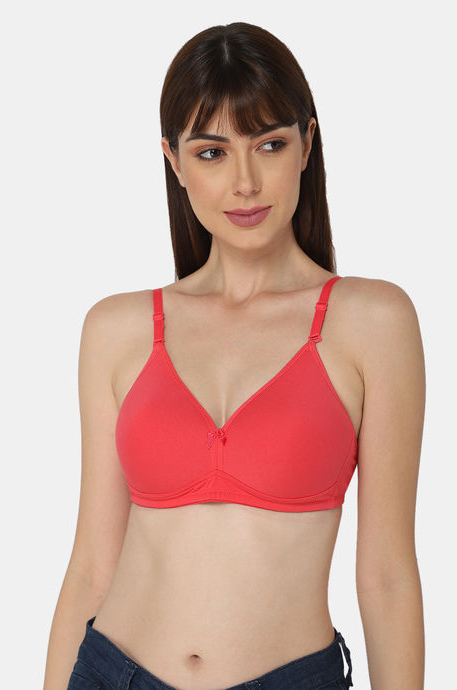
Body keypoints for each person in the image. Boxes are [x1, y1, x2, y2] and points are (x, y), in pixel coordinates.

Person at [43, 22, 425, 690]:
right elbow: (91, 569)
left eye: (269, 144)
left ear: (307, 144)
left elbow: (388, 576)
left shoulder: (372, 322)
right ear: (174, 161)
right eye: (212, 153)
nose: (245, 182)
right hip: (112, 673)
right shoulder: (117, 330)